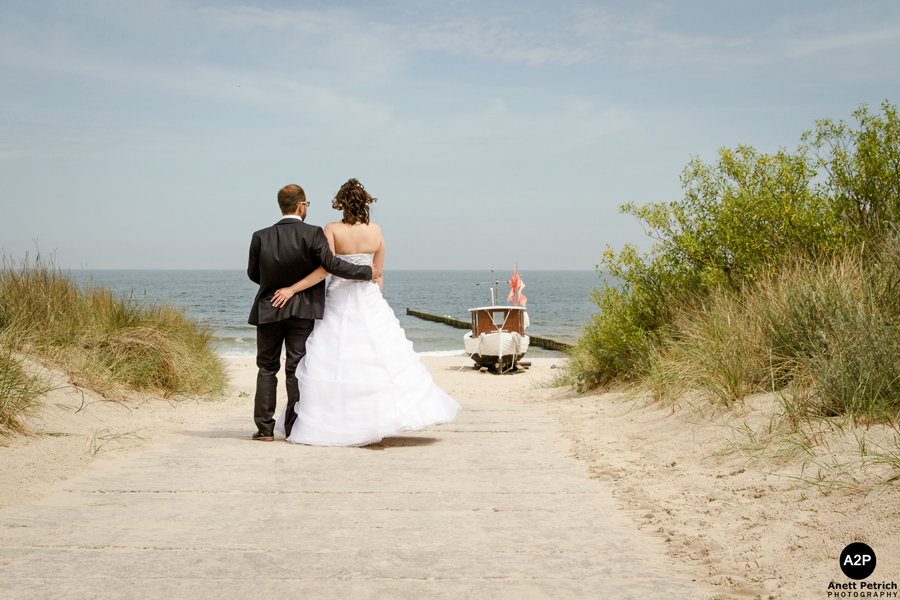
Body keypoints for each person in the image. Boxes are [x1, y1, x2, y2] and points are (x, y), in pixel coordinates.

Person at [270, 178, 461, 447]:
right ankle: (378, 419)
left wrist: (292, 288)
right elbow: (378, 273)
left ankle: (337, 422)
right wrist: (375, 301)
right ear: (364, 203)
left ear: (341, 203)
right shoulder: (377, 231)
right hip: (369, 300)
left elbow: (326, 269)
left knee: (334, 358)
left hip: (338, 298)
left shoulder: (332, 229)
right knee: (377, 359)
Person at [247, 184, 378, 442]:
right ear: (301, 206)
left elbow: (254, 274)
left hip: (269, 308)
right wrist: (366, 272)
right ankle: (294, 427)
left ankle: (264, 429)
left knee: (266, 368)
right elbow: (332, 265)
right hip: (303, 310)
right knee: (295, 368)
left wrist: (277, 287)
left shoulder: (260, 236)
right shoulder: (313, 233)